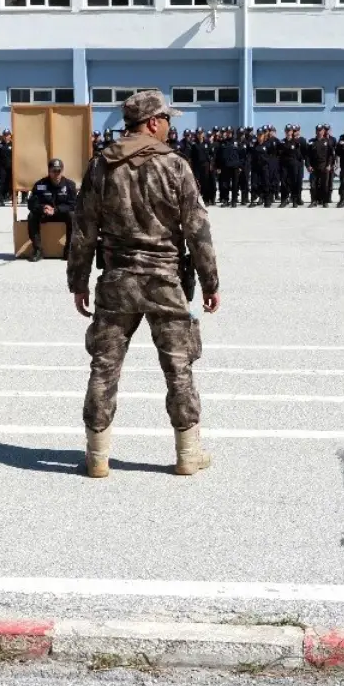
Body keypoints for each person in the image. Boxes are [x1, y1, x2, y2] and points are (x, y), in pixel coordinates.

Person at [67, 90, 220, 478]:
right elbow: (197, 230)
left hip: (117, 281)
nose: (170, 126)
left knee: (104, 367)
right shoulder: (175, 166)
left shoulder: (102, 166)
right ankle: (188, 453)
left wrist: (78, 280)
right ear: (152, 123)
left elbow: (83, 227)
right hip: (164, 280)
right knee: (178, 366)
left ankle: (97, 456)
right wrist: (210, 281)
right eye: (167, 119)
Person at [26, 158, 77, 261]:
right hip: (45, 214)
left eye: (59, 171)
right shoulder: (40, 184)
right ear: (49, 171)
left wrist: (57, 209)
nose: (57, 174)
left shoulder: (70, 185)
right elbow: (31, 203)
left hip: (61, 214)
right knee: (32, 216)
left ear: (62, 171)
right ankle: (37, 250)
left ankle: (69, 250)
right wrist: (42, 208)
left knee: (73, 216)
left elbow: (74, 204)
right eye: (54, 171)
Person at [0, 129, 13, 206]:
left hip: (11, 168)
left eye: (7, 135)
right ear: (3, 136)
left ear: (10, 135)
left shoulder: (13, 145)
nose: (6, 137)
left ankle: (12, 199)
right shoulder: (0, 145)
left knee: (10, 184)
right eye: (5, 135)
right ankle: (1, 200)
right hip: (2, 168)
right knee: (2, 183)